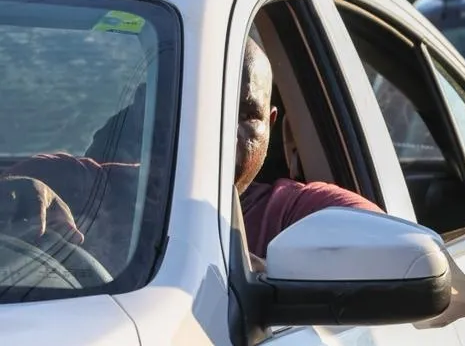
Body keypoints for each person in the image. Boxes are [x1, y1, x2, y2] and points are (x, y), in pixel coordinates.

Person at [0, 37, 381, 271]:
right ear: (148, 112)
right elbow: (20, 191)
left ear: (271, 124)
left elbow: (402, 263)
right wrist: (17, 195)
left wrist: (275, 284)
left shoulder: (299, 215)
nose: (220, 133)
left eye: (246, 115)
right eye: (197, 106)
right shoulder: (72, 186)